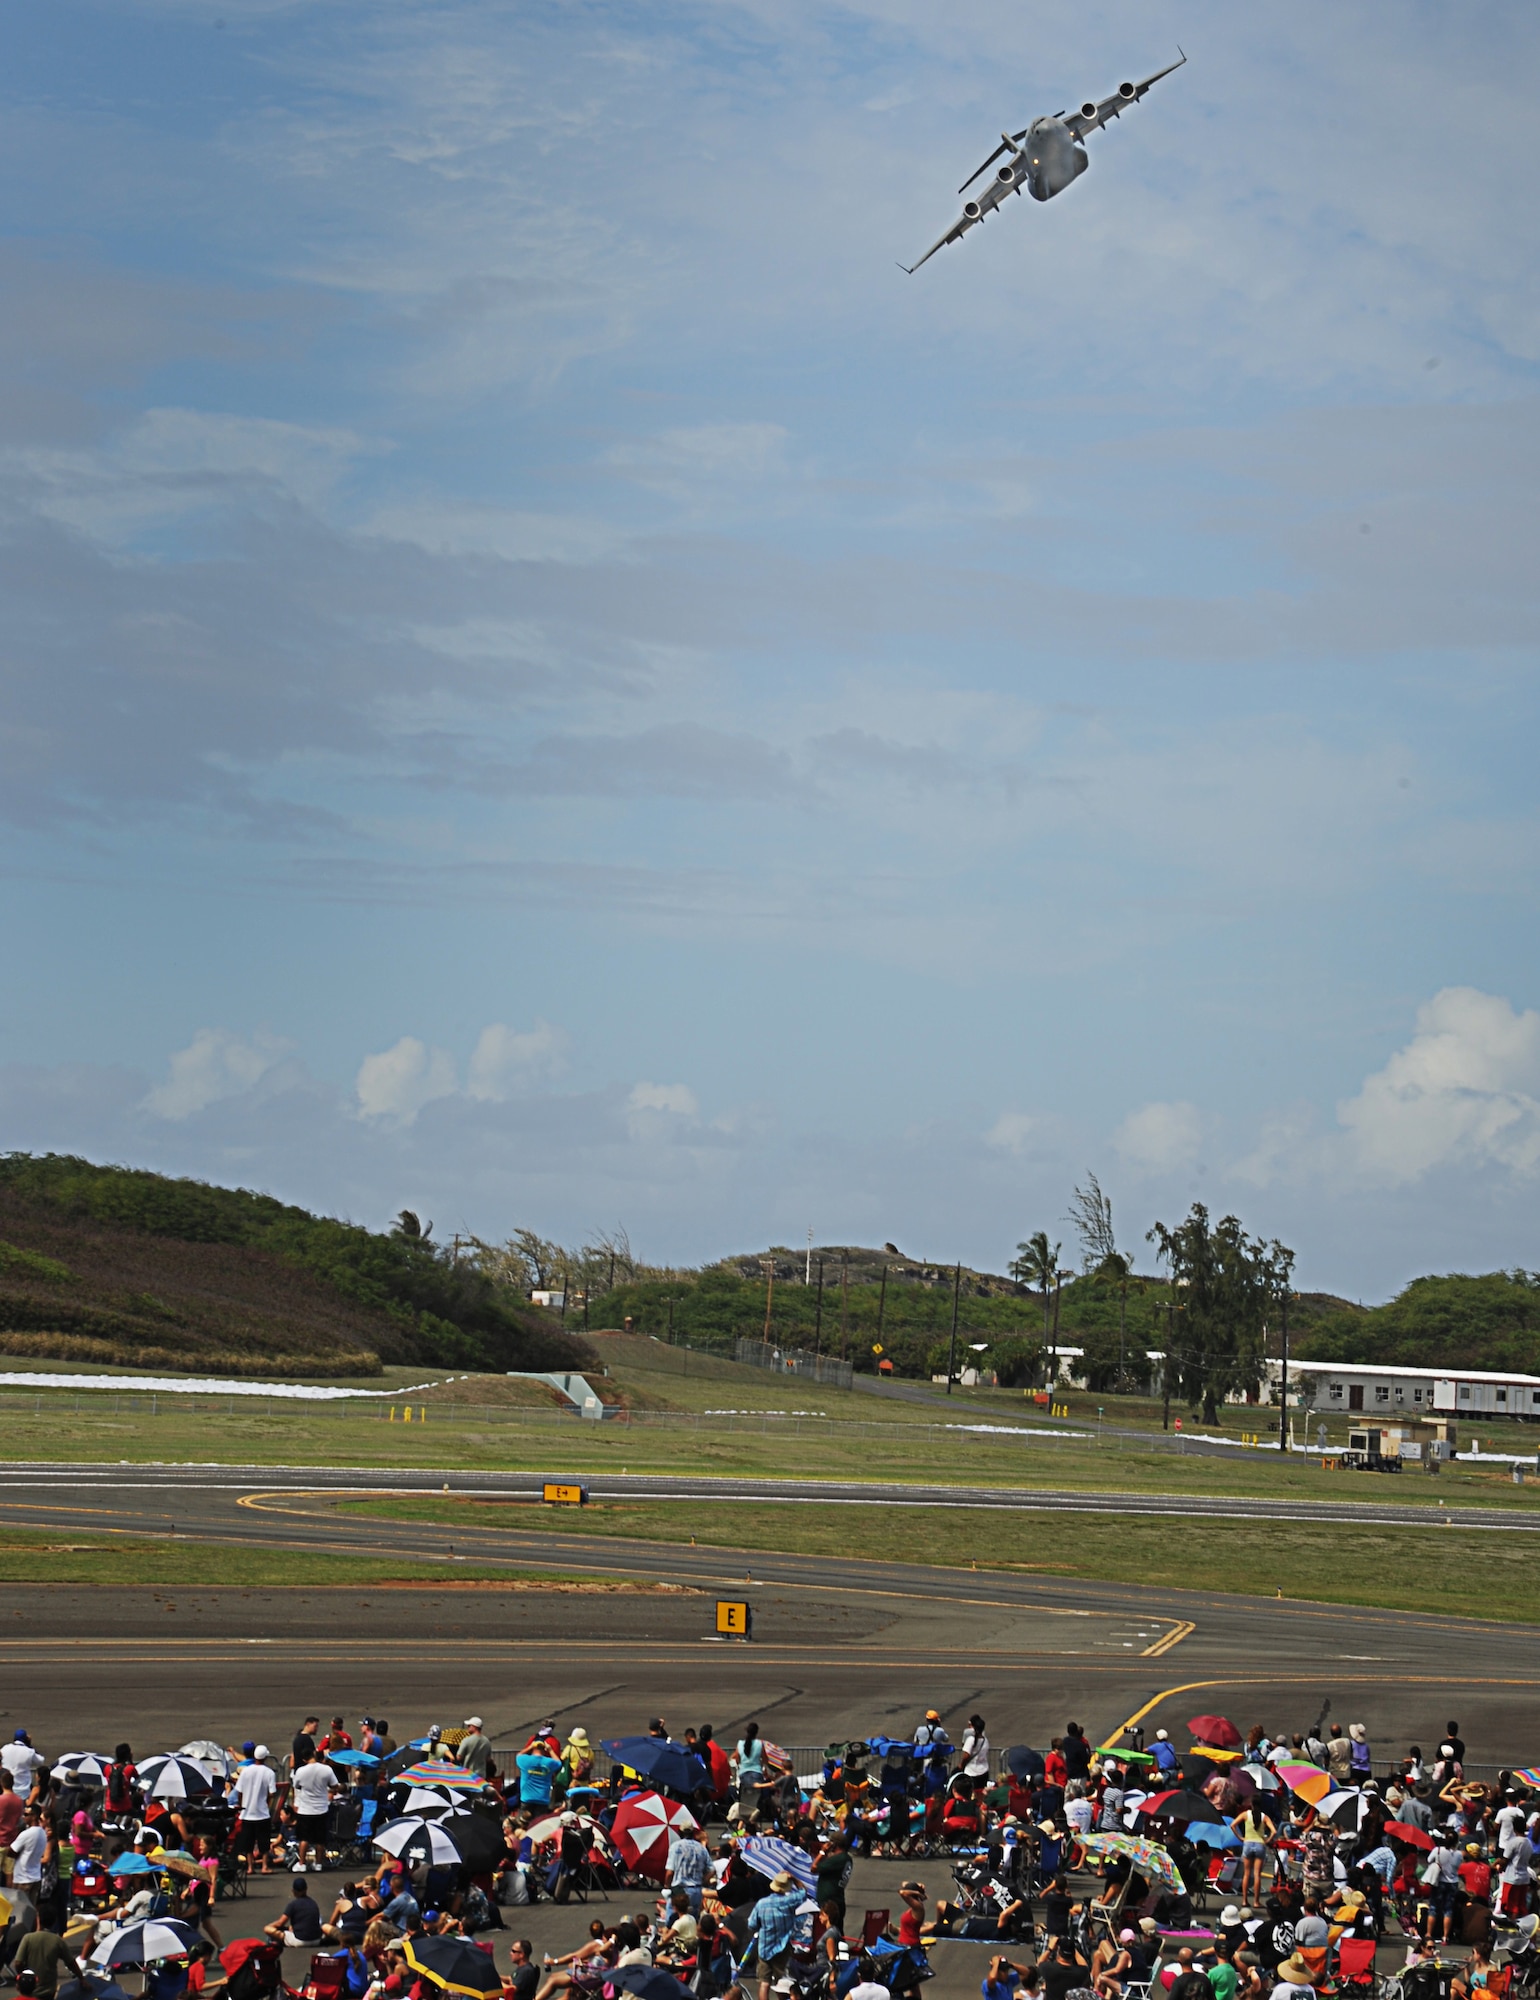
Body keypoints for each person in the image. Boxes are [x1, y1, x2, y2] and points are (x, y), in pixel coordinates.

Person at [745, 1869, 805, 2000]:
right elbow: (803, 1892)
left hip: (764, 1947)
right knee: (782, 1982)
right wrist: (794, 1878)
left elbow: (752, 1924)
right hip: (782, 1947)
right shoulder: (790, 1901)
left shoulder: (762, 1904)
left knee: (764, 1982)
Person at [290, 1752, 339, 1869]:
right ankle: (318, 1863)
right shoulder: (326, 1770)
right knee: (320, 1839)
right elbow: (335, 1785)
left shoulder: (301, 1771)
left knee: (304, 1838)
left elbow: (297, 1786)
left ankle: (302, 1864)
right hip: (321, 1808)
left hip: (305, 1809)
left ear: (304, 1759)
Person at [232, 1745, 277, 1875]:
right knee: (264, 1841)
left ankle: (250, 1867)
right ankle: (264, 1866)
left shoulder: (246, 1771)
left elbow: (239, 1791)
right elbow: (272, 1793)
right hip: (262, 1813)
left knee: (248, 1842)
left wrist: (241, 1805)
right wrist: (267, 1802)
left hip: (247, 1812)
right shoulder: (269, 1773)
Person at [8, 1925, 78, 1999]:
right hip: (48, 1991)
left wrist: (23, 1976)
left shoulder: (27, 1938)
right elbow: (71, 1963)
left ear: (17, 1987)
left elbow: (18, 1963)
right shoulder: (57, 1940)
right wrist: (82, 1979)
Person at [1231, 1800, 1277, 1905]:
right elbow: (1274, 1831)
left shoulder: (1245, 1814)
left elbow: (1233, 1825)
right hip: (1259, 1844)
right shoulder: (1264, 1817)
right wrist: (1267, 1840)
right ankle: (1256, 1901)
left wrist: (1240, 1837)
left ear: (1251, 1805)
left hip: (1247, 1843)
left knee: (1246, 1874)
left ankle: (1244, 1900)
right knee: (1257, 1874)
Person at [9, 1805, 48, 1923]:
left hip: (23, 1879)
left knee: (18, 1913)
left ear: (34, 1816)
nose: (23, 1817)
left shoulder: (26, 1834)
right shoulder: (42, 1832)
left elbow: (11, 1851)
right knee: (30, 1912)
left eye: (26, 1815)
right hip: (35, 1876)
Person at [266, 1877, 324, 1949]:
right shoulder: (313, 1903)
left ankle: (274, 1942)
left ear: (293, 1891)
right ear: (306, 1889)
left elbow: (280, 1923)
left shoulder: (293, 1905)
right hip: (316, 1940)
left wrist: (270, 1926)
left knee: (267, 1929)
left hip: (299, 1940)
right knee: (290, 1928)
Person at [665, 1824, 711, 1913]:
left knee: (673, 1918)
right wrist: (704, 1881)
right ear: (693, 1833)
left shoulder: (675, 1846)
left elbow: (670, 1872)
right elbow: (711, 1869)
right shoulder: (701, 1847)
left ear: (680, 1832)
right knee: (693, 1919)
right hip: (696, 1890)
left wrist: (667, 1886)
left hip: (680, 1890)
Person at [2, 1734, 45, 1806]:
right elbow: (41, 1761)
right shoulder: (29, 1751)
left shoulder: (5, 1748)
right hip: (23, 1791)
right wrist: (30, 1746)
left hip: (7, 1788)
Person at [736, 1725, 766, 1812]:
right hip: (756, 1772)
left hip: (743, 1773)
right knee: (756, 1798)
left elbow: (737, 1760)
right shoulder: (760, 1744)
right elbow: (765, 1759)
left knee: (745, 1797)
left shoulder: (740, 1744)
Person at [963, 1718, 991, 1784]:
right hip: (984, 1771)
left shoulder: (970, 1740)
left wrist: (961, 1765)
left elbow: (966, 1756)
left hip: (971, 1772)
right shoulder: (985, 1741)